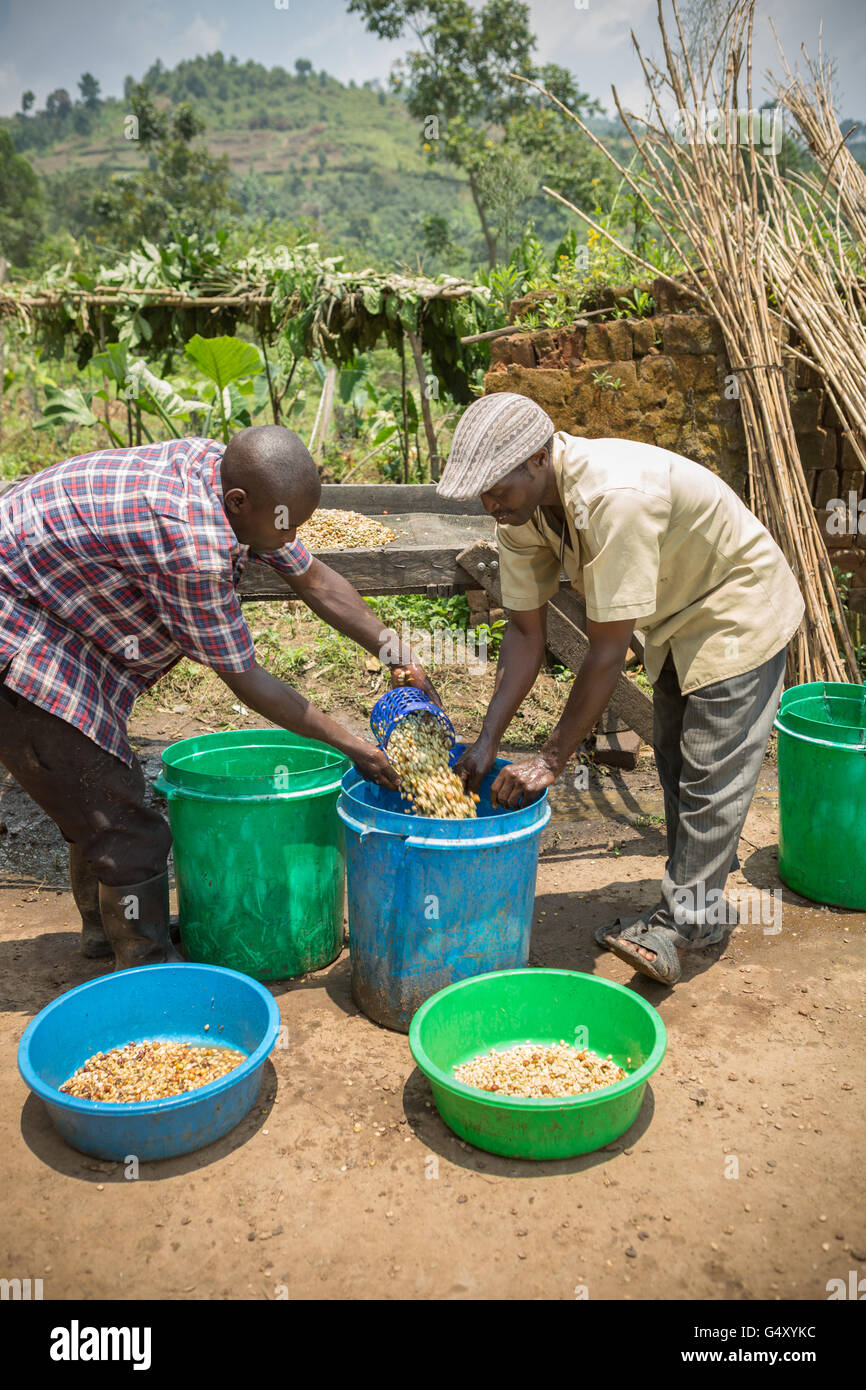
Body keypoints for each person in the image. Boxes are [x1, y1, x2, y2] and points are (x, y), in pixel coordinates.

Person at [0, 426, 434, 970]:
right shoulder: (193, 547)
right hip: (16, 628)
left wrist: (398, 652)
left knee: (95, 795)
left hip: (53, 603)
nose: (290, 535)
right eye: (285, 524)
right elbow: (245, 677)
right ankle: (147, 972)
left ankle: (105, 933)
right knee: (124, 822)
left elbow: (315, 579)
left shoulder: (228, 475)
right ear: (237, 503)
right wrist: (356, 748)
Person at [437, 392, 805, 985]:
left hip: (734, 608)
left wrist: (553, 758)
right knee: (675, 764)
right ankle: (695, 897)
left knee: (709, 773)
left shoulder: (614, 499)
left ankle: (687, 923)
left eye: (496, 488)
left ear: (536, 459)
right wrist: (487, 740)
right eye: (480, 492)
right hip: (674, 615)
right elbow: (527, 634)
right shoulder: (521, 510)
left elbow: (606, 652)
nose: (489, 504)